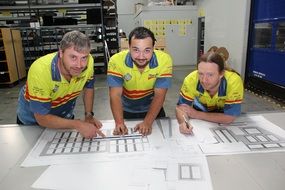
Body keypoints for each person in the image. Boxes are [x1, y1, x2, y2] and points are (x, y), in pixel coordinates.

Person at [16, 30, 104, 138]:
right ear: (61, 53)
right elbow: (41, 118)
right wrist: (78, 124)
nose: (79, 65)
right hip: (32, 122)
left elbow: (88, 87)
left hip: (64, 118)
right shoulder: (40, 71)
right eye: (73, 57)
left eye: (84, 58)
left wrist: (89, 115)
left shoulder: (89, 62)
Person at [107, 26, 173, 136]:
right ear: (128, 47)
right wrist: (119, 122)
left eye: (147, 50)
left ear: (154, 48)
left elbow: (159, 96)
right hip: (127, 110)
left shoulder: (164, 60)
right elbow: (115, 95)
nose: (141, 57)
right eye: (136, 50)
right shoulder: (116, 61)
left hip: (153, 110)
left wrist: (147, 122)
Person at [176, 52, 244, 134]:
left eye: (210, 75)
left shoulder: (233, 81)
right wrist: (183, 122)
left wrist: (197, 114)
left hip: (220, 117)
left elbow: (229, 117)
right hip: (200, 113)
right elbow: (180, 108)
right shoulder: (191, 79)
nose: (204, 80)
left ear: (221, 74)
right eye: (200, 74)